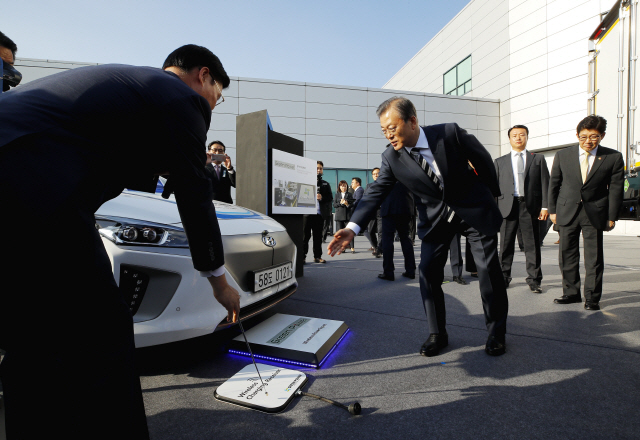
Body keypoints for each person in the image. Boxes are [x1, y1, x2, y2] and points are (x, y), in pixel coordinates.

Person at [0, 44, 241, 439]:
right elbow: (196, 194)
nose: (215, 103)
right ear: (203, 76)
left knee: (32, 337)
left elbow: (99, 151)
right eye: (219, 92)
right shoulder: (181, 98)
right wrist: (218, 280)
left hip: (18, 191)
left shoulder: (130, 85)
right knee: (103, 331)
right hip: (31, 192)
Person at [328, 96, 508, 357]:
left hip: (473, 210)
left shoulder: (449, 133)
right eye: (383, 131)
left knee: (488, 272)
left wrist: (491, 196)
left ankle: (496, 333)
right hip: (436, 221)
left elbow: (482, 159)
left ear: (413, 121)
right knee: (427, 273)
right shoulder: (392, 158)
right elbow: (375, 193)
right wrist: (353, 227)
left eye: (392, 128)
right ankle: (438, 333)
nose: (389, 135)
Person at [548, 115, 624, 310]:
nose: (588, 141)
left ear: (602, 136)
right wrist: (553, 210)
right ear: (577, 135)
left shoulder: (613, 157)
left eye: (594, 137)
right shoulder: (563, 155)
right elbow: (554, 185)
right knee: (567, 254)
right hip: (566, 211)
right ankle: (571, 293)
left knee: (594, 257)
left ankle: (592, 297)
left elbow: (615, 189)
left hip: (595, 212)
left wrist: (612, 216)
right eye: (583, 137)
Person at [494, 125, 550, 293]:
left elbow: (545, 183)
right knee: (505, 245)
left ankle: (534, 279)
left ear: (527, 137)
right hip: (507, 207)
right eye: (515, 135)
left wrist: (545, 207)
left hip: (530, 206)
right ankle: (503, 277)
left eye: (522, 135)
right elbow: (494, 188)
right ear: (509, 139)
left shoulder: (537, 159)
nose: (518, 138)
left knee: (532, 244)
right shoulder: (500, 161)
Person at [377, 181, 416, 281]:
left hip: (389, 208)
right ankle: (410, 270)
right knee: (405, 239)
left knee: (388, 241)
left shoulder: (388, 172)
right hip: (405, 208)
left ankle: (388, 272)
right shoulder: (407, 171)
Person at [303, 161, 333, 263]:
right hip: (306, 214)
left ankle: (317, 256)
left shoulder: (325, 184)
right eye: (317, 168)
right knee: (305, 236)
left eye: (320, 168)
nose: (319, 170)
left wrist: (322, 197)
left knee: (318, 237)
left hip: (319, 214)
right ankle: (302, 257)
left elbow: (330, 197)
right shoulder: (305, 181)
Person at [363, 168, 382, 257]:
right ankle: (375, 247)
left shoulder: (385, 185)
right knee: (370, 231)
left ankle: (379, 250)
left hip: (382, 211)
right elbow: (365, 198)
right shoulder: (369, 186)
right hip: (372, 212)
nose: (376, 175)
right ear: (372, 176)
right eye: (374, 174)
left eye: (377, 173)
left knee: (381, 232)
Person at [333, 180, 355, 251]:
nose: (343, 187)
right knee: (340, 233)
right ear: (339, 187)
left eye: (345, 186)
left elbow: (352, 205)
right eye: (342, 186)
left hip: (347, 215)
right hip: (339, 216)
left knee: (349, 231)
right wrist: (341, 203)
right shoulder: (337, 195)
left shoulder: (349, 194)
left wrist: (347, 204)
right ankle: (342, 248)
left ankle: (352, 247)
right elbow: (334, 205)